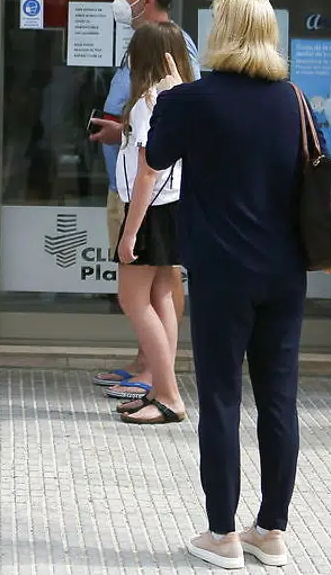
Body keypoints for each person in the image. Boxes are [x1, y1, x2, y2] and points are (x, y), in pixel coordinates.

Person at [145, 0, 331, 569]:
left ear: (220, 33)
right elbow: (319, 174)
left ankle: (221, 535)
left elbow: (156, 155)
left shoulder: (193, 98)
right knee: (279, 401)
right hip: (284, 273)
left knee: (219, 399)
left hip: (219, 274)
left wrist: (165, 94)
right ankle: (273, 531)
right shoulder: (294, 100)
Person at [87, 0, 198, 395]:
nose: (120, 1)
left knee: (154, 290)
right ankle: (147, 367)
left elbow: (161, 148)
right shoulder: (149, 68)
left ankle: (159, 380)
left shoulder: (167, 47)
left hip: (149, 199)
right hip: (140, 192)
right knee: (155, 291)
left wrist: (132, 230)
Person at [111, 24, 194, 426]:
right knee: (162, 296)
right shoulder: (179, 98)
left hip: (148, 208)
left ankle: (168, 394)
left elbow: (148, 171)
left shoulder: (148, 102)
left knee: (133, 299)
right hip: (172, 207)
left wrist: (129, 232)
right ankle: (162, 389)